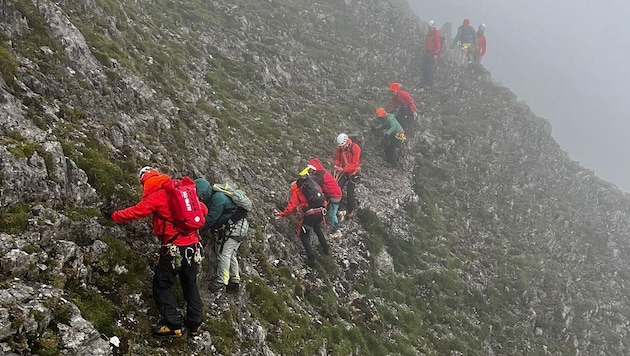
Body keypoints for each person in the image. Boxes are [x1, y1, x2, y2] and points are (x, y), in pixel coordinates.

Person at [102, 166, 206, 338]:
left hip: (173, 249)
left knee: (162, 284)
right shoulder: (179, 190)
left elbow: (136, 212)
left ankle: (173, 325)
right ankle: (194, 324)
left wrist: (114, 215)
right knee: (190, 284)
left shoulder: (156, 196)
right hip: (194, 246)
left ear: (145, 182)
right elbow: (203, 210)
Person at [194, 178, 248, 294]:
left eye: (200, 195)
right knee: (231, 253)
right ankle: (234, 281)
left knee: (224, 253)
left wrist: (196, 228)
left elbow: (211, 220)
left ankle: (221, 282)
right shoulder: (217, 196)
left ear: (204, 192)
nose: (200, 198)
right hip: (240, 226)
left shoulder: (217, 199)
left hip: (235, 227)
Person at [274, 177, 329, 267]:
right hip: (321, 212)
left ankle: (311, 259)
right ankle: (326, 247)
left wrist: (282, 214)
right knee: (317, 227)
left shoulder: (297, 192)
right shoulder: (313, 187)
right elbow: (323, 200)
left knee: (304, 236)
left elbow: (291, 206)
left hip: (311, 214)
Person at [301, 158, 343, 239]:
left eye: (311, 170)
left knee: (331, 213)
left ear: (314, 169)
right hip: (334, 193)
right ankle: (340, 213)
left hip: (335, 195)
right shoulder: (321, 172)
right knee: (331, 208)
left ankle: (337, 231)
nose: (310, 172)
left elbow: (312, 183)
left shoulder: (321, 176)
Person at [333, 133, 362, 219]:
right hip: (345, 171)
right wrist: (336, 165)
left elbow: (355, 164)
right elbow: (337, 158)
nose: (342, 147)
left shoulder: (355, 148)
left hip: (353, 173)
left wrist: (343, 169)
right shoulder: (340, 148)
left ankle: (350, 211)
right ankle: (336, 208)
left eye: (343, 145)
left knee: (350, 193)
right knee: (337, 188)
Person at [422, 20, 441, 89]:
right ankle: (424, 83)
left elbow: (438, 45)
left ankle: (429, 84)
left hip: (431, 53)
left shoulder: (436, 35)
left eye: (430, 27)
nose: (429, 29)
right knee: (425, 68)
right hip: (427, 52)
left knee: (429, 69)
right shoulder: (429, 34)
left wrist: (435, 54)